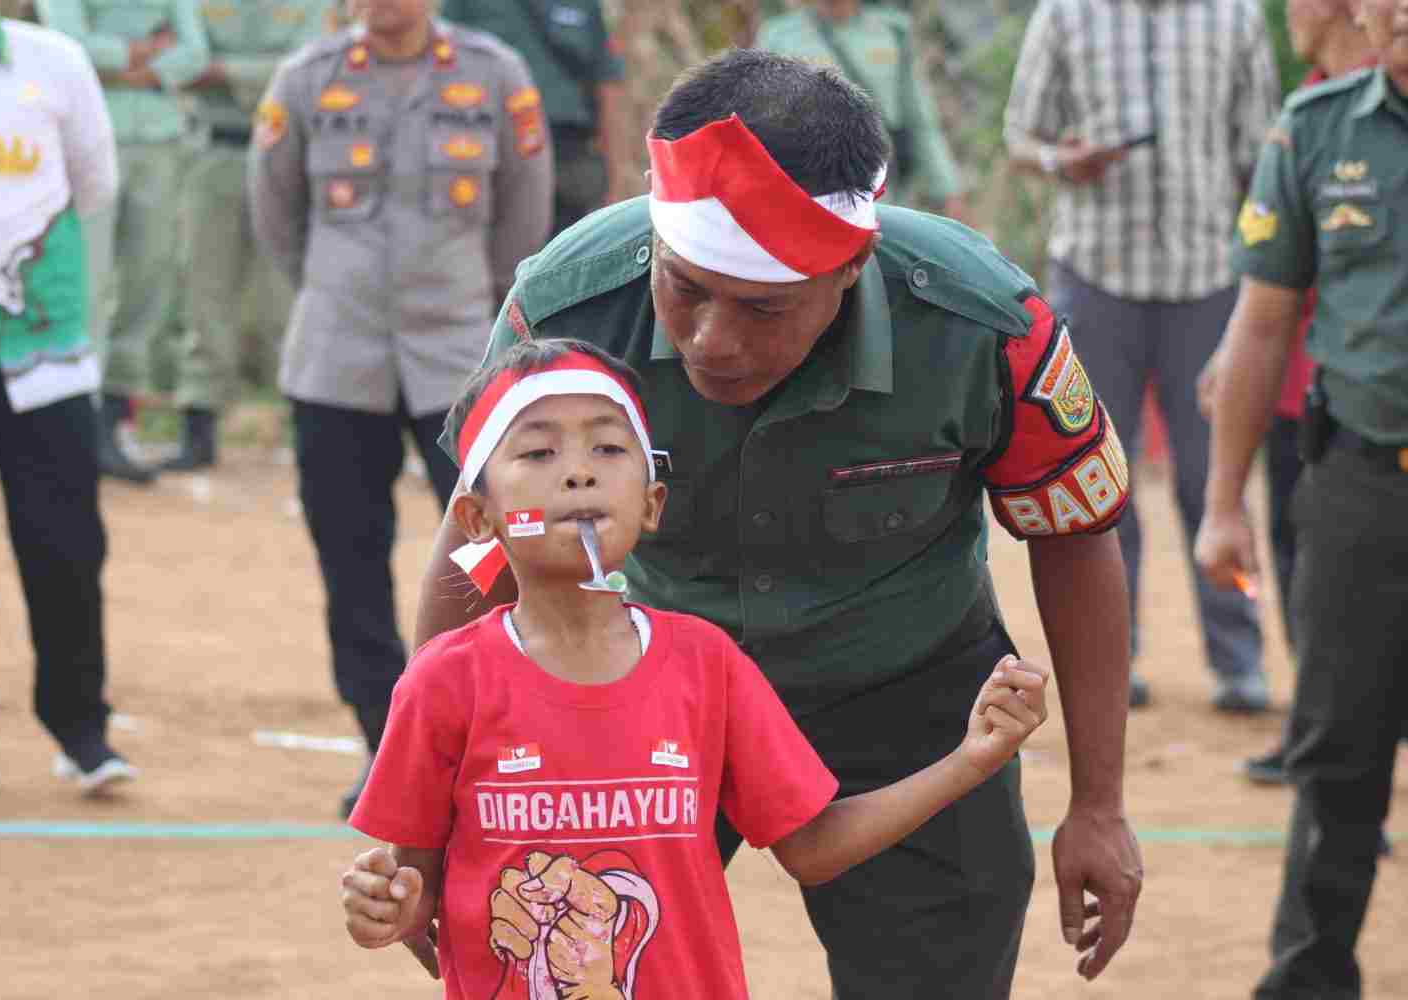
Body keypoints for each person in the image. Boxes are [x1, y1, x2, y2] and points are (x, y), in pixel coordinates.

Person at [411, 48, 1143, 997]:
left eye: (765, 310)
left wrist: (1099, 803)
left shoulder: (981, 327)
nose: (714, 340)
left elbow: (1076, 535)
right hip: (634, 698)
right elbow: (479, 540)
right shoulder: (568, 304)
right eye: (685, 289)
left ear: (852, 267)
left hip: (909, 698)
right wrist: (429, 818)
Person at [338, 337, 1052, 998]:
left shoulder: (708, 665)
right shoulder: (443, 683)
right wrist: (385, 906)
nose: (580, 470)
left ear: (651, 505)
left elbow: (812, 845)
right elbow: (415, 888)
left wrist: (970, 759)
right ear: (477, 517)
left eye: (610, 448)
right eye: (538, 454)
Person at [1195, 0, 1408, 993]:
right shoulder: (1314, 131)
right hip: (1361, 490)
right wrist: (1222, 503)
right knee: (1337, 756)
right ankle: (1308, 977)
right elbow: (1261, 329)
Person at [248, 0, 553, 819]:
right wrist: (332, 288)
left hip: (458, 359)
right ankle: (386, 741)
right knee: (350, 556)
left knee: (492, 551)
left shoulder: (497, 77)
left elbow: (523, 218)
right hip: (335, 359)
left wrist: (484, 317)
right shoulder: (306, 81)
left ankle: (493, 726)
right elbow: (275, 216)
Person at [1004, 0, 1280, 711]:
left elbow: (1262, 159)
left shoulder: (1236, 18)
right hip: (1098, 280)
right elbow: (1019, 137)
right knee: (1099, 482)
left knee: (1210, 478)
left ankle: (1238, 660)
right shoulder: (1066, 16)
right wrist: (1062, 161)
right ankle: (1111, 658)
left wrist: (1264, 272)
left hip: (1209, 279)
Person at [0, 0, 138, 796]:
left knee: (64, 547)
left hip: (46, 353)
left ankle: (83, 734)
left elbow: (95, 182)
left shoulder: (54, 61)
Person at [35, 0, 210, 485]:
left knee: (149, 282)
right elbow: (68, 44)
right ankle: (78, 422)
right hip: (88, 135)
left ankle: (112, 418)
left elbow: (195, 52)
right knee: (86, 283)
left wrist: (120, 63)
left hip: (158, 139)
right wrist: (142, 53)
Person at [156, 0, 332, 473]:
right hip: (212, 148)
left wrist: (217, 69)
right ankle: (199, 424)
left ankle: (307, 428)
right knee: (202, 291)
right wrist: (244, 74)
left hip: (289, 156)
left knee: (290, 300)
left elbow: (310, 71)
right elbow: (177, 62)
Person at [755, 0, 970, 221]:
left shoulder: (891, 30)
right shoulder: (779, 37)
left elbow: (919, 118)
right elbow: (763, 122)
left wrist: (948, 189)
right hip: (816, 188)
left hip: (884, 184)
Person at [439, 0, 626, 239]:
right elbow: (440, 68)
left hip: (569, 159)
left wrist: (615, 183)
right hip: (494, 154)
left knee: (569, 259)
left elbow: (608, 86)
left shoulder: (585, 5)